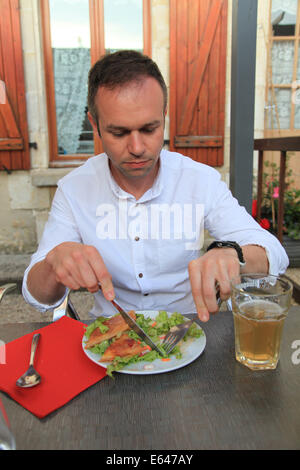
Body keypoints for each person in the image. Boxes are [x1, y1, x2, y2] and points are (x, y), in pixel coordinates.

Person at [22, 50, 288, 322]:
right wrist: (54, 264)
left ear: (164, 115)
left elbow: (275, 253)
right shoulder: (74, 188)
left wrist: (235, 254)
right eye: (119, 132)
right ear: (94, 124)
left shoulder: (198, 179)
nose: (137, 148)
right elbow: (37, 297)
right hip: (110, 337)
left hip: (191, 330)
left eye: (150, 129)